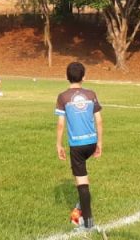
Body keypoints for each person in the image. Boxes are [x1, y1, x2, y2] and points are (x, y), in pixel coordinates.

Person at [55, 61, 103, 232]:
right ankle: (82, 203)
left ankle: (88, 224)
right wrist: (99, 143)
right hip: (91, 142)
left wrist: (59, 144)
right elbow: (99, 120)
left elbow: (61, 124)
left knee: (82, 183)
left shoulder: (63, 97)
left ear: (66, 77)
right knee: (82, 180)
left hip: (77, 145)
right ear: (84, 77)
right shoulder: (91, 94)